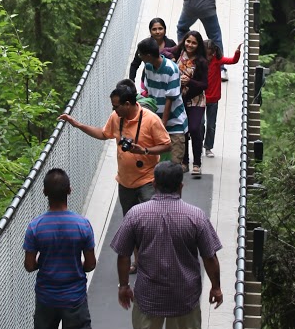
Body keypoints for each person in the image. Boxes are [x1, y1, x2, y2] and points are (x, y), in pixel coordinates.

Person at [112, 160, 223, 329]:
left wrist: (122, 285)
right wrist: (216, 287)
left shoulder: (136, 214)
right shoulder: (196, 216)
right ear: (181, 187)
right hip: (185, 291)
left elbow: (122, 254)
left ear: (154, 183)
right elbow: (210, 257)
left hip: (149, 292)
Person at [23, 167, 96, 329]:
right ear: (69, 191)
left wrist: (44, 260)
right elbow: (91, 263)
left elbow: (30, 265)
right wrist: (79, 266)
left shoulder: (35, 227)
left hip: (46, 296)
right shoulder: (82, 225)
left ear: (44, 193)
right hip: (74, 294)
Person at [59, 80, 172, 221]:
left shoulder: (151, 120)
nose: (114, 110)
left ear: (127, 104)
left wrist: (144, 151)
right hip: (125, 182)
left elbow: (167, 145)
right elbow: (103, 134)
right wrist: (78, 125)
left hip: (148, 180)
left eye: (116, 107)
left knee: (150, 219)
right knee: (130, 222)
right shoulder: (116, 117)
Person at [135, 36, 188, 165]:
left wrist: (161, 125)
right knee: (156, 168)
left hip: (173, 125)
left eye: (140, 54)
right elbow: (149, 93)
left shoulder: (172, 69)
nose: (139, 56)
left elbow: (170, 98)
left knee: (173, 167)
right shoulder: (148, 67)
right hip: (156, 122)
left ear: (148, 55)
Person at [176, 30, 209, 175]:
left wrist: (190, 81)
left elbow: (204, 85)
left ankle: (197, 163)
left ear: (198, 45)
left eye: (194, 43)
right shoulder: (178, 53)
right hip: (178, 99)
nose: (190, 45)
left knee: (194, 129)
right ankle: (184, 161)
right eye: (188, 41)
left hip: (195, 100)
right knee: (183, 130)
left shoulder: (201, 61)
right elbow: (164, 50)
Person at [204, 40, 241, 155]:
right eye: (206, 54)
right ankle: (198, 145)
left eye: (210, 54)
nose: (209, 57)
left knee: (211, 125)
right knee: (199, 125)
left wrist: (237, 53)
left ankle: (208, 147)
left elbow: (233, 61)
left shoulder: (217, 60)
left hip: (213, 99)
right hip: (200, 98)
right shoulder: (199, 61)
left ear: (214, 53)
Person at [128, 16, 176, 80]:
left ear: (165, 30)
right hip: (148, 80)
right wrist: (131, 81)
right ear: (150, 31)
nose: (157, 32)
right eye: (154, 29)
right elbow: (134, 64)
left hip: (168, 80)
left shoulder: (171, 44)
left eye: (160, 28)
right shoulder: (144, 45)